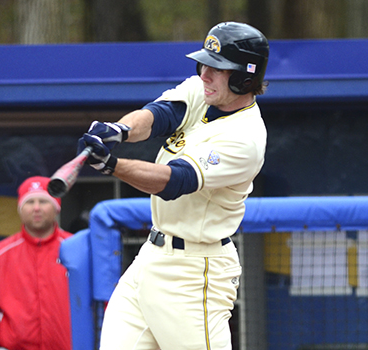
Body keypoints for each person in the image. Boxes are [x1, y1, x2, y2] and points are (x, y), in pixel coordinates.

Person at [77, 22, 269, 350]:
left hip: (195, 273)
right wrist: (117, 130)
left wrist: (111, 165)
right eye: (204, 64)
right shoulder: (203, 90)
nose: (205, 74)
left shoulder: (246, 137)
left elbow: (174, 181)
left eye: (217, 68)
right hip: (151, 257)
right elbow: (160, 115)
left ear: (244, 78)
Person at [0, 176, 73, 350]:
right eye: (30, 202)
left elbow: (107, 302)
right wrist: (0, 336)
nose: (36, 208)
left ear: (56, 207)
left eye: (43, 201)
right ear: (20, 209)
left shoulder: (79, 250)